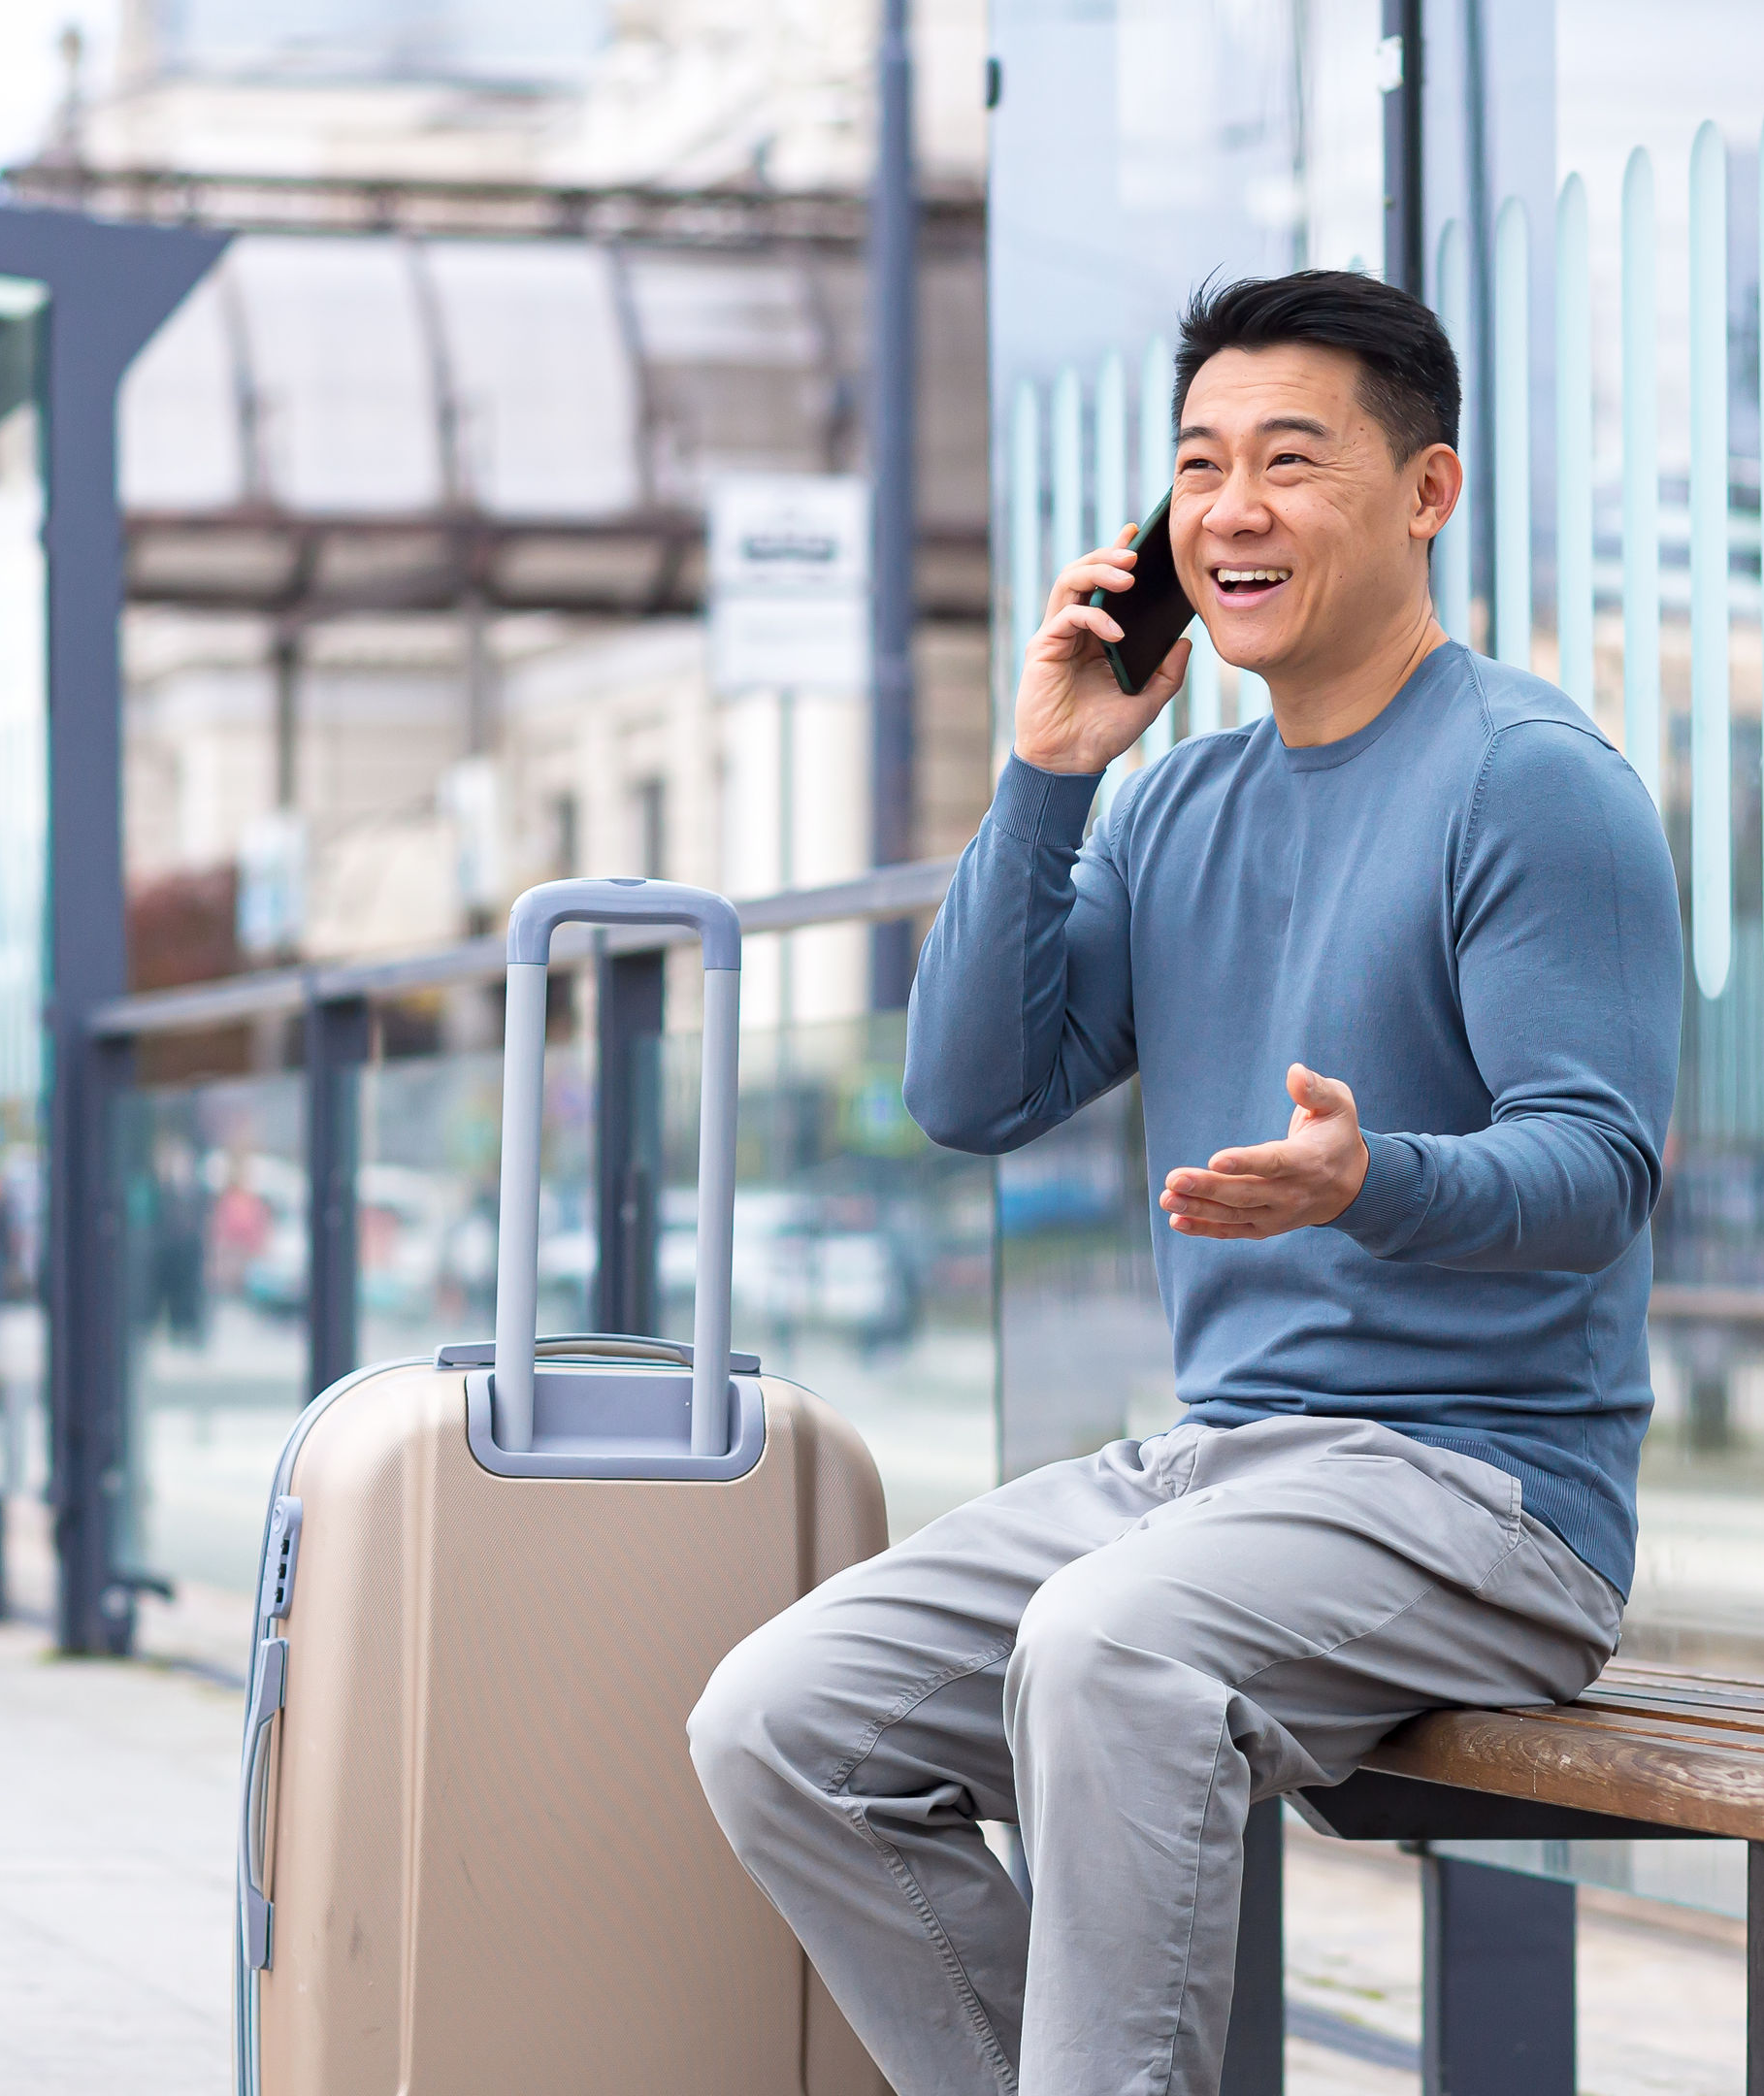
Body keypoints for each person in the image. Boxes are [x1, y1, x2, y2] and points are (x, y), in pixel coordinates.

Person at [690, 271, 1682, 2096]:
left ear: (1428, 493)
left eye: (1292, 462)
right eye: (1201, 466)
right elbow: (969, 1090)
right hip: (1223, 1471)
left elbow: (1602, 1169)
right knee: (780, 1720)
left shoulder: (1531, 782)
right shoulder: (1171, 805)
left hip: (1487, 1496)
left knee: (1105, 1651)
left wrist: (1368, 1180)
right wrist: (1051, 774)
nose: (1232, 509)